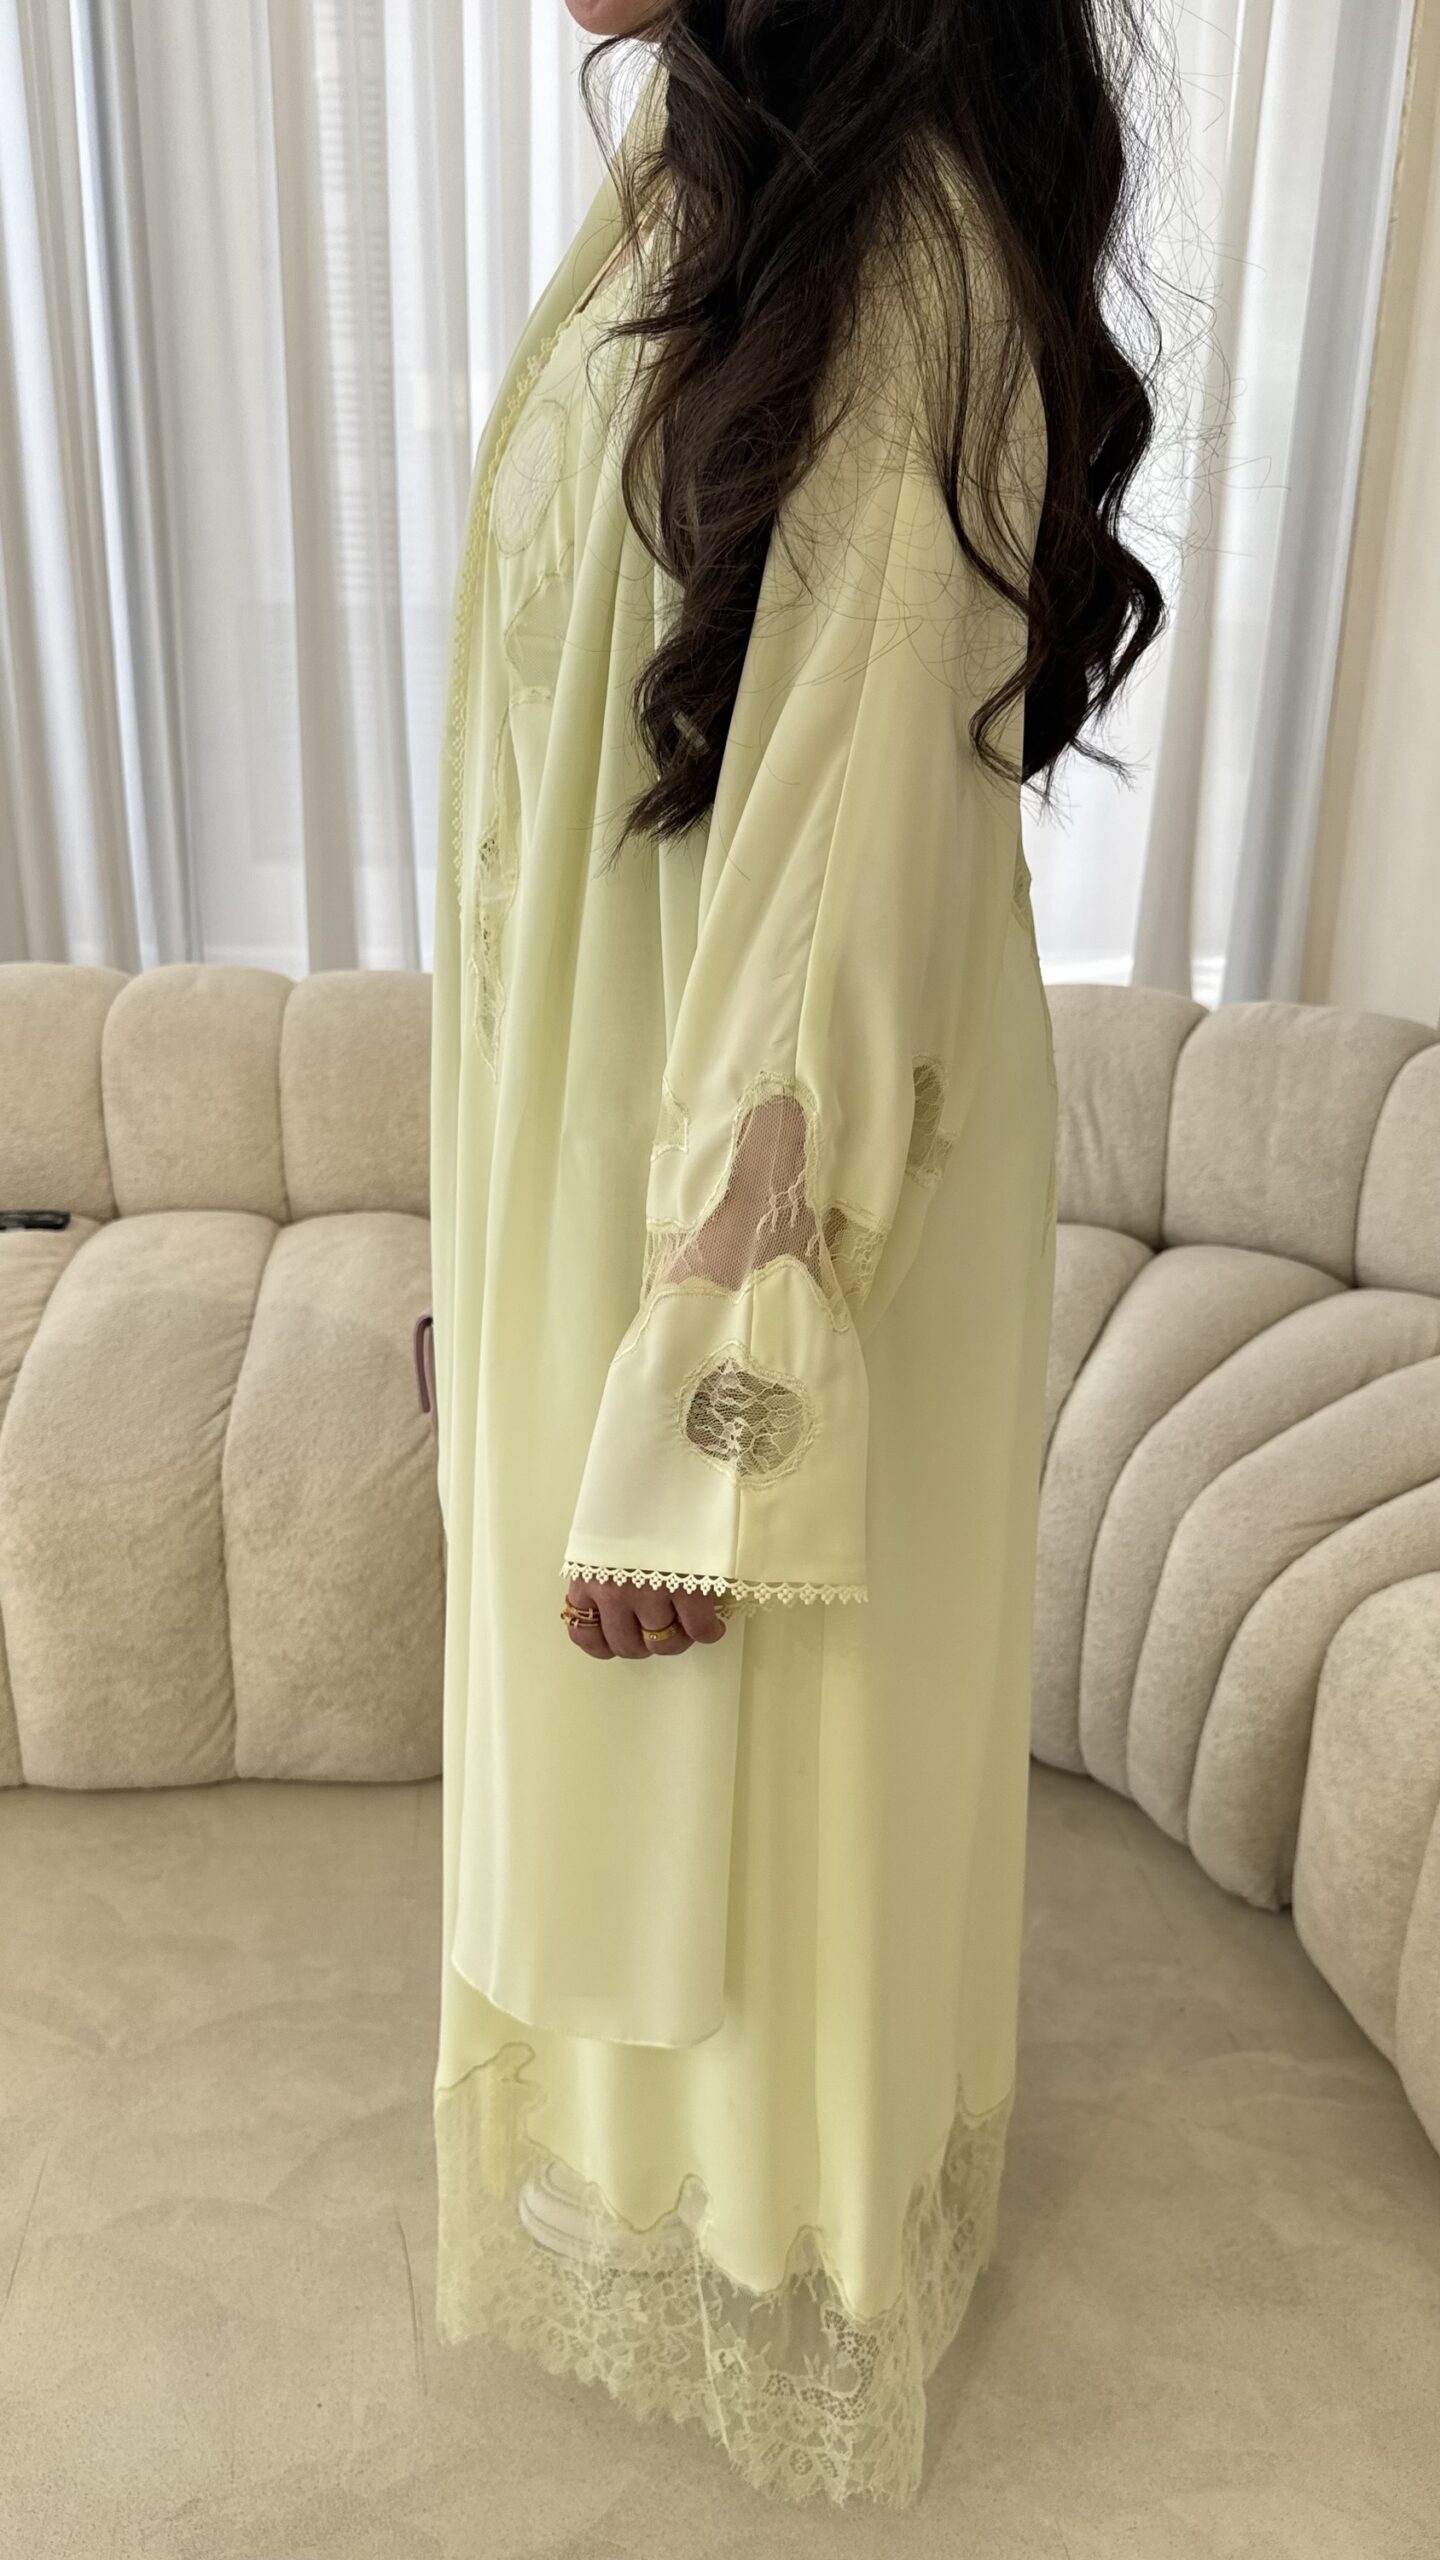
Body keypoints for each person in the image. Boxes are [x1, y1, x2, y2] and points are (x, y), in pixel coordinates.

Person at [428, 0, 1163, 2510]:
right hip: (603, 1119)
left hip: (776, 1191)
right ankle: (658, 2205)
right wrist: (495, 1254)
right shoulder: (696, 177)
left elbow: (846, 844)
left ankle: (780, 2261)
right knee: (640, 1758)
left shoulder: (905, 246)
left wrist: (710, 1381)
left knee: (770, 1760)